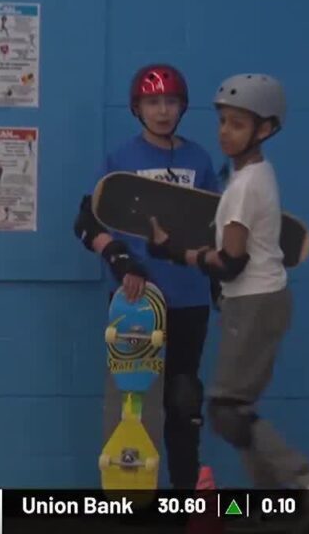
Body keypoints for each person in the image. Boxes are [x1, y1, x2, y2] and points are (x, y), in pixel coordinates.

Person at [145, 73, 309, 505]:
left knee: (227, 411)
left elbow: (231, 262)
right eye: (222, 121)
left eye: (237, 124)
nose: (224, 132)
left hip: (253, 302)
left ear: (266, 129)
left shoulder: (243, 187)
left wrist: (175, 252)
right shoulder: (258, 175)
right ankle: (274, 501)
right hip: (262, 301)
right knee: (235, 413)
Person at [72, 63, 218, 490]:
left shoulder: (198, 159)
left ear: (183, 107)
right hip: (138, 300)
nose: (163, 111)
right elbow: (87, 223)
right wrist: (121, 261)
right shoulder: (122, 160)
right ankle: (132, 494)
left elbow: (216, 224)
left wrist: (221, 279)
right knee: (134, 402)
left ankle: (186, 496)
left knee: (184, 397)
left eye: (171, 102)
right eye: (153, 102)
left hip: (190, 298)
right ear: (138, 108)